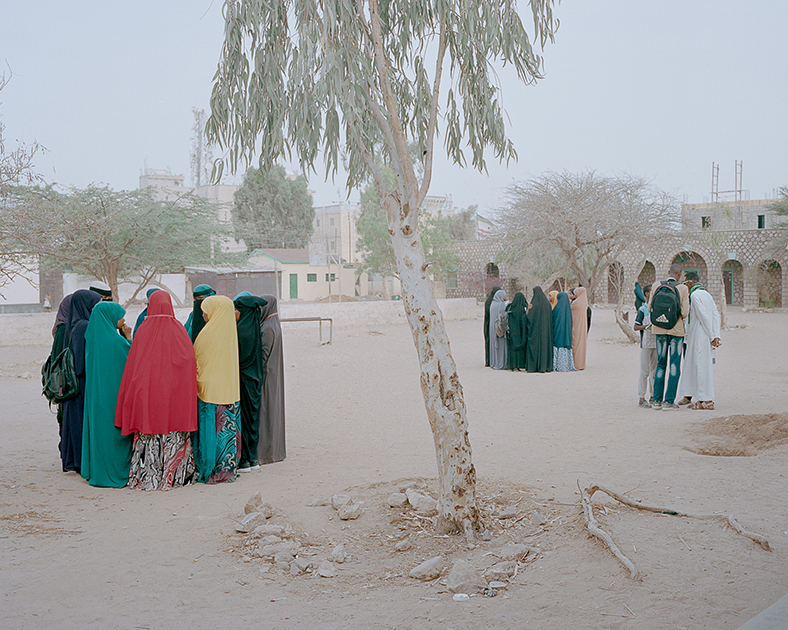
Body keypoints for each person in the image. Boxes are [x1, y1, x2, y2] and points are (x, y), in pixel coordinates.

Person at [116, 291, 199, 490]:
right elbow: (188, 362)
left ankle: (148, 479)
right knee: (174, 433)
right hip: (174, 396)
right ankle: (175, 477)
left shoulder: (143, 330)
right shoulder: (179, 330)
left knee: (148, 434)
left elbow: (134, 366)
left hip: (149, 396)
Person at [81, 301, 133, 487]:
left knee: (99, 431)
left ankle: (97, 470)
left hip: (96, 395)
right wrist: (128, 336)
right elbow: (130, 358)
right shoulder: (115, 341)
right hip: (113, 394)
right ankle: (115, 472)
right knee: (113, 430)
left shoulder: (93, 338)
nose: (124, 319)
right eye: (120, 316)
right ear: (110, 317)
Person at [193, 295, 241, 483]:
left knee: (213, 433)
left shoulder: (207, 334)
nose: (204, 315)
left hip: (210, 392)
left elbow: (197, 362)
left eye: (206, 311)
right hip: (229, 391)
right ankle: (228, 471)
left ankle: (210, 471)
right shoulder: (230, 332)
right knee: (228, 434)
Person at [59, 289, 102, 473]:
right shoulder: (84, 326)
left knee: (73, 422)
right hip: (81, 383)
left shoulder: (72, 324)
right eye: (93, 304)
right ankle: (79, 461)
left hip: (72, 384)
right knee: (79, 423)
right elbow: (82, 362)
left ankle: (73, 460)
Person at [234, 291, 268, 472]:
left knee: (244, 419)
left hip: (244, 380)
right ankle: (253, 458)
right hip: (255, 379)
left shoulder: (241, 331)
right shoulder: (255, 328)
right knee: (253, 419)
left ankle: (245, 460)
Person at [648, 263, 690, 410]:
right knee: (674, 365)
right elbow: (685, 313)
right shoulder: (683, 288)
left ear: (668, 272)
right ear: (680, 274)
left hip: (659, 330)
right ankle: (669, 401)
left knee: (660, 364)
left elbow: (649, 308)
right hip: (676, 331)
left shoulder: (656, 285)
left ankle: (657, 401)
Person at [677, 273, 721, 410]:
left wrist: (713, 336)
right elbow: (715, 315)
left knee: (700, 367)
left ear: (690, 282)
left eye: (685, 283)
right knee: (700, 366)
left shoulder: (695, 295)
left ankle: (706, 401)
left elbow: (704, 316)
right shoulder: (706, 294)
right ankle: (702, 399)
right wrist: (716, 335)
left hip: (700, 336)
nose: (684, 286)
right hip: (704, 335)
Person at [258, 294, 286, 464]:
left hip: (267, 376)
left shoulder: (268, 328)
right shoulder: (273, 323)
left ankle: (267, 453)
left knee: (266, 413)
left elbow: (263, 356)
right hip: (273, 375)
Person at [634, 284, 657, 407]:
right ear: (647, 294)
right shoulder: (643, 310)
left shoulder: (656, 308)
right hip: (646, 344)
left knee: (654, 371)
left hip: (656, 344)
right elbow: (636, 326)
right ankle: (641, 397)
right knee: (644, 371)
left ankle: (653, 396)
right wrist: (646, 327)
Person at [526, 286, 553, 373]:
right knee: (544, 347)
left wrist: (528, 310)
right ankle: (545, 366)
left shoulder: (534, 304)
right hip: (545, 332)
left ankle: (533, 367)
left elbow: (529, 319)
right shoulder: (547, 304)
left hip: (535, 332)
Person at [552, 291, 576, 371]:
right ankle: (566, 365)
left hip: (558, 332)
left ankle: (557, 365)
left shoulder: (557, 308)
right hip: (566, 333)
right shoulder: (568, 309)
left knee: (558, 345)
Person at [506, 292, 528, 371]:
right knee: (520, 350)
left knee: (512, 349)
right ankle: (519, 365)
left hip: (511, 332)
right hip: (521, 333)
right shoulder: (523, 308)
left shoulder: (510, 307)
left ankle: (512, 365)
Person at [569, 286, 589, 370]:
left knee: (576, 345)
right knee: (581, 345)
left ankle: (576, 364)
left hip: (576, 327)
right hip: (582, 327)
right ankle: (581, 364)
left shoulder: (576, 304)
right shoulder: (584, 303)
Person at [488, 289, 508, 370]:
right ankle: (501, 363)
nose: (506, 297)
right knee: (501, 345)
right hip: (499, 328)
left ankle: (494, 362)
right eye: (504, 295)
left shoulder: (492, 304)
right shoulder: (501, 304)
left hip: (493, 328)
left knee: (494, 344)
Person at [483, 285, 501, 368]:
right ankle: (489, 361)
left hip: (490, 324)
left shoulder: (493, 301)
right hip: (489, 324)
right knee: (489, 341)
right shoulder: (490, 301)